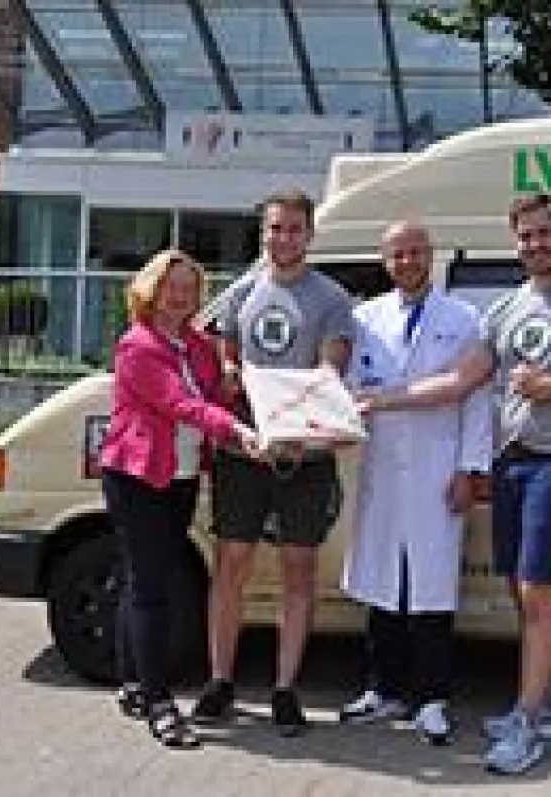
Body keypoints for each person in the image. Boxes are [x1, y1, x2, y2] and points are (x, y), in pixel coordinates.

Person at [358, 194, 551, 774]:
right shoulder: (506, 309)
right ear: (514, 243)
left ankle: (528, 724)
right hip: (513, 462)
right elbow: (458, 383)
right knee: (524, 593)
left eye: (544, 234)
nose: (535, 245)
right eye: (525, 237)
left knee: (539, 593)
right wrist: (379, 400)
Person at [193, 189, 355, 736]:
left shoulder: (331, 298)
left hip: (302, 458)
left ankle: (285, 688)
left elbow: (331, 373)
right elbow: (226, 353)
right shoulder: (241, 291)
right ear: (262, 233)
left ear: (309, 236)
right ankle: (220, 682)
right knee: (231, 563)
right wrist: (232, 371)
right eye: (274, 229)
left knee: (298, 570)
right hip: (243, 452)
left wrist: (293, 427)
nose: (283, 238)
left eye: (293, 229)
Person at [338, 220, 492, 746]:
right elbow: (349, 392)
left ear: (432, 256)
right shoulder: (365, 320)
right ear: (385, 262)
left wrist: (471, 468)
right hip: (382, 467)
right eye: (397, 254)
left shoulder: (464, 318)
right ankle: (383, 689)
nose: (406, 261)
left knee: (430, 587)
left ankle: (432, 698)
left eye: (415, 252)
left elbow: (476, 399)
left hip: (436, 468)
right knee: (382, 581)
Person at [99, 249, 259, 749]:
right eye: (173, 287)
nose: (182, 297)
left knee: (144, 577)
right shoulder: (137, 346)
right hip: (139, 477)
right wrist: (235, 429)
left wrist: (234, 384)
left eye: (191, 288)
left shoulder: (196, 344)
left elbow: (214, 393)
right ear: (152, 290)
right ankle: (160, 704)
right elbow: (182, 404)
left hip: (182, 474)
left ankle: (132, 682)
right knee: (151, 589)